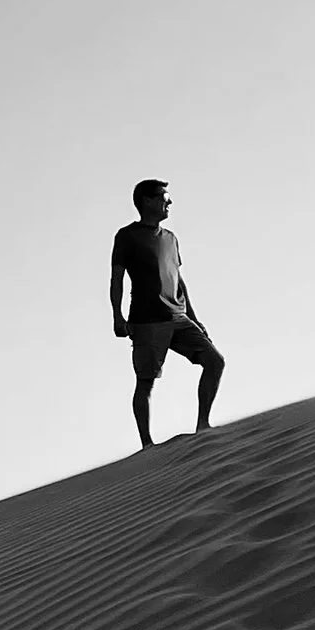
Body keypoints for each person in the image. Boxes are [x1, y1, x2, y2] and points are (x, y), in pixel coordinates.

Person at [109, 178, 224, 447]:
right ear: (147, 201)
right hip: (147, 321)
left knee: (215, 361)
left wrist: (194, 317)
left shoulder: (171, 239)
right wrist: (117, 316)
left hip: (178, 317)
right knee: (146, 383)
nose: (169, 202)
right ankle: (147, 444)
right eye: (164, 197)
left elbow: (178, 279)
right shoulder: (126, 236)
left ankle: (203, 425)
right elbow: (117, 279)